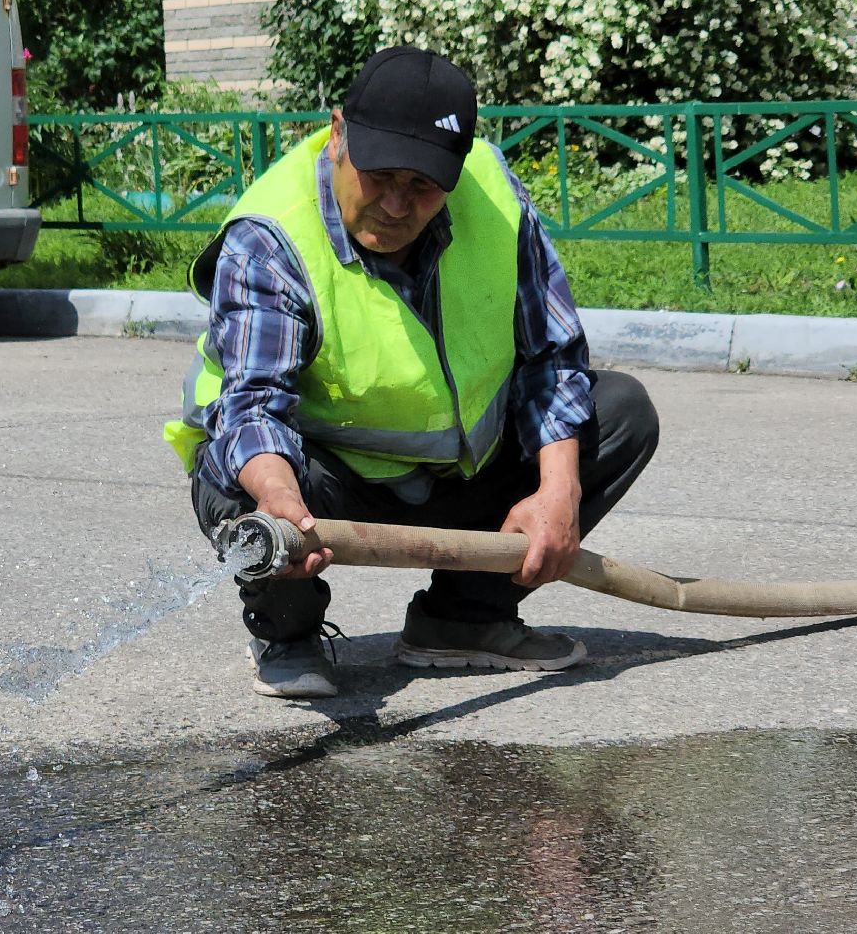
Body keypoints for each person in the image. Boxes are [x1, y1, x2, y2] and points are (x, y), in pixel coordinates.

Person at [163, 46, 659, 698]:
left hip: (461, 472)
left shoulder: (491, 193)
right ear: (338, 134)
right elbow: (253, 407)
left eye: (422, 184)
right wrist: (279, 500)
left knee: (620, 411)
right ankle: (286, 629)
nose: (397, 204)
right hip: (323, 483)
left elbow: (553, 358)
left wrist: (559, 492)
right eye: (380, 176)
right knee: (238, 483)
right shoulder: (271, 236)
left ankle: (463, 620)